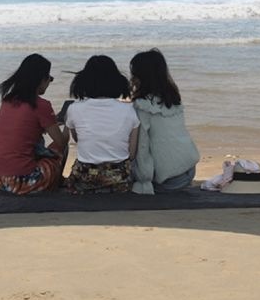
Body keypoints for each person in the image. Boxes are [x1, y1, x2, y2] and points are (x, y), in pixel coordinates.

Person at [0, 53, 67, 194]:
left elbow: (25, 129)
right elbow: (61, 141)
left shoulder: (7, 100)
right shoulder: (42, 105)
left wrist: (53, 121)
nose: (49, 82)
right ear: (41, 79)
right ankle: (55, 182)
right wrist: (69, 124)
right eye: (49, 78)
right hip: (22, 181)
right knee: (59, 149)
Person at [128, 49, 200, 194]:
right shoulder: (173, 99)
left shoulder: (142, 107)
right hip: (189, 169)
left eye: (133, 74)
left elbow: (142, 148)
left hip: (169, 180)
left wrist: (143, 180)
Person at [63, 54, 138, 194]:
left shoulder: (74, 109)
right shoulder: (129, 110)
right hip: (120, 178)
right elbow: (132, 154)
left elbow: (78, 139)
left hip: (85, 178)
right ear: (116, 81)